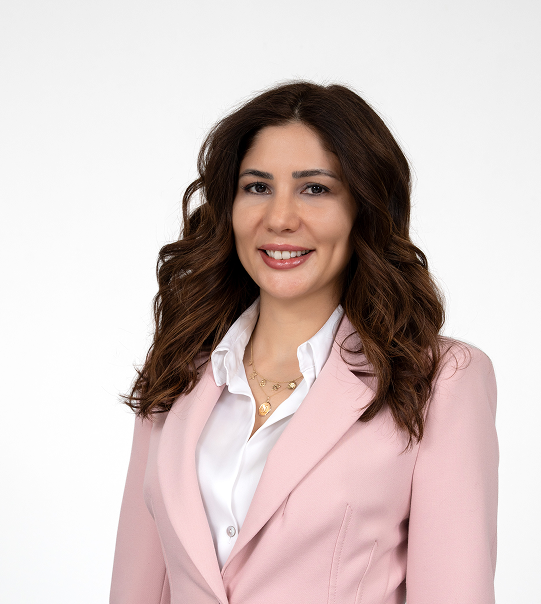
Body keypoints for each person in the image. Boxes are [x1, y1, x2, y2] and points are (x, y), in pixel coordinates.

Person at [110, 81, 499, 604]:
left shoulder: (440, 381)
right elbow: (136, 589)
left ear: (363, 207)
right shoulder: (176, 372)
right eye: (257, 187)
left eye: (314, 189)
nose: (279, 218)